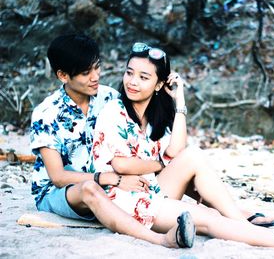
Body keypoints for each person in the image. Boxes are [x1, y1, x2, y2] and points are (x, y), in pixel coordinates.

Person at [91, 42, 274, 247]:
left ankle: (242, 223)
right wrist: (160, 163)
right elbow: (121, 165)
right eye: (129, 73)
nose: (132, 82)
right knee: (207, 218)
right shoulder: (114, 110)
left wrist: (179, 99)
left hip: (151, 189)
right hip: (123, 199)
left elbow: (177, 151)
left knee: (194, 156)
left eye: (143, 77)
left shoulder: (153, 113)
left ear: (159, 84)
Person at [30, 34, 195, 248]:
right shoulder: (46, 113)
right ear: (63, 75)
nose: (95, 77)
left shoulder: (108, 97)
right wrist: (112, 179)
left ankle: (239, 214)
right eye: (85, 72)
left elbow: (140, 145)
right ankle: (162, 240)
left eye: (97, 68)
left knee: (187, 166)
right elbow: (59, 177)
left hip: (110, 182)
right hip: (62, 191)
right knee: (90, 189)